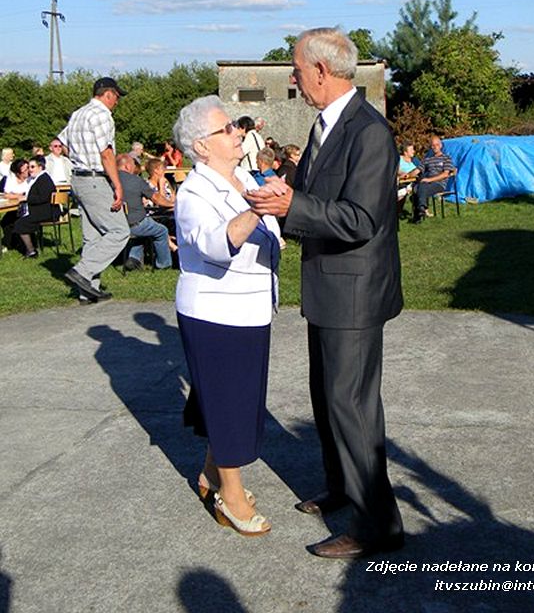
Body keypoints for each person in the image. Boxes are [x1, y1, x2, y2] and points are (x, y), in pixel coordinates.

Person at [247, 27, 404, 559]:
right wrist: (286, 195)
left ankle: (378, 525)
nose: (293, 78)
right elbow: (320, 199)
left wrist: (292, 206)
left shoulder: (369, 132)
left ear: (320, 70)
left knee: (351, 405)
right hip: (329, 287)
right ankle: (342, 488)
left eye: (296, 69)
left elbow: (360, 219)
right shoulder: (327, 124)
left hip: (353, 292)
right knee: (328, 397)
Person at [173, 95, 280, 537]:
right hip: (215, 312)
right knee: (229, 401)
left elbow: (270, 233)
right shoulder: (192, 193)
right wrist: (255, 208)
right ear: (201, 146)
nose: (237, 133)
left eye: (235, 126)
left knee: (238, 397)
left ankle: (209, 474)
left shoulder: (244, 177)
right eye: (227, 129)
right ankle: (230, 496)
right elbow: (214, 245)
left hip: (250, 307)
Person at [58, 77, 130, 303]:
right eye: (116, 96)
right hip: (95, 179)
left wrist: (79, 157)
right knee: (119, 231)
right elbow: (106, 153)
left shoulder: (78, 114)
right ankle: (82, 272)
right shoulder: (102, 115)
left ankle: (87, 291)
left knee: (93, 236)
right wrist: (117, 184)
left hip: (78, 179)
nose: (117, 102)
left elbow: (61, 144)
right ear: (108, 94)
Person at [116, 153, 174, 271]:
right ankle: (164, 264)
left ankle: (134, 259)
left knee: (142, 231)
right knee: (161, 231)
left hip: (115, 223)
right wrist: (173, 204)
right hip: (135, 223)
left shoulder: (109, 180)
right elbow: (156, 199)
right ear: (127, 166)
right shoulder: (136, 180)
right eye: (133, 165)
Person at [13, 156, 57, 258]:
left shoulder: (44, 179)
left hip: (47, 211)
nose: (30, 170)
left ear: (40, 167)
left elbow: (43, 197)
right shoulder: (36, 179)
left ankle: (31, 251)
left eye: (32, 167)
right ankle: (25, 246)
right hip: (41, 209)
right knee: (15, 219)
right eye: (29, 167)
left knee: (20, 223)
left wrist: (26, 198)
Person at [411, 136, 455, 223]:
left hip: (439, 184)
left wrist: (429, 180)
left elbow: (445, 174)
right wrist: (407, 175)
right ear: (431, 146)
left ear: (441, 145)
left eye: (437, 145)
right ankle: (421, 209)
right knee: (419, 186)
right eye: (433, 145)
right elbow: (417, 170)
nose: (435, 147)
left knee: (419, 188)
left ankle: (419, 212)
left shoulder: (446, 158)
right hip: (427, 184)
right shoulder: (427, 159)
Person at [1, 159, 30, 249]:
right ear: (18, 173)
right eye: (25, 169)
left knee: (14, 221)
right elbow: (6, 194)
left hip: (28, 208)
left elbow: (28, 195)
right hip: (15, 206)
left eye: (28, 168)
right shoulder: (11, 178)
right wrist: (19, 195)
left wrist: (15, 195)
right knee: (5, 222)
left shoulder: (30, 179)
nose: (28, 171)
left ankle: (18, 243)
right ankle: (11, 243)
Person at [397, 140, 421, 218]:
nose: (414, 151)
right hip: (402, 181)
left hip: (414, 180)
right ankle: (398, 211)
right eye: (411, 150)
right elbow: (396, 170)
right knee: (403, 189)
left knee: (420, 186)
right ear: (405, 152)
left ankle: (422, 210)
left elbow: (421, 169)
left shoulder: (415, 160)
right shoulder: (399, 159)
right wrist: (402, 174)